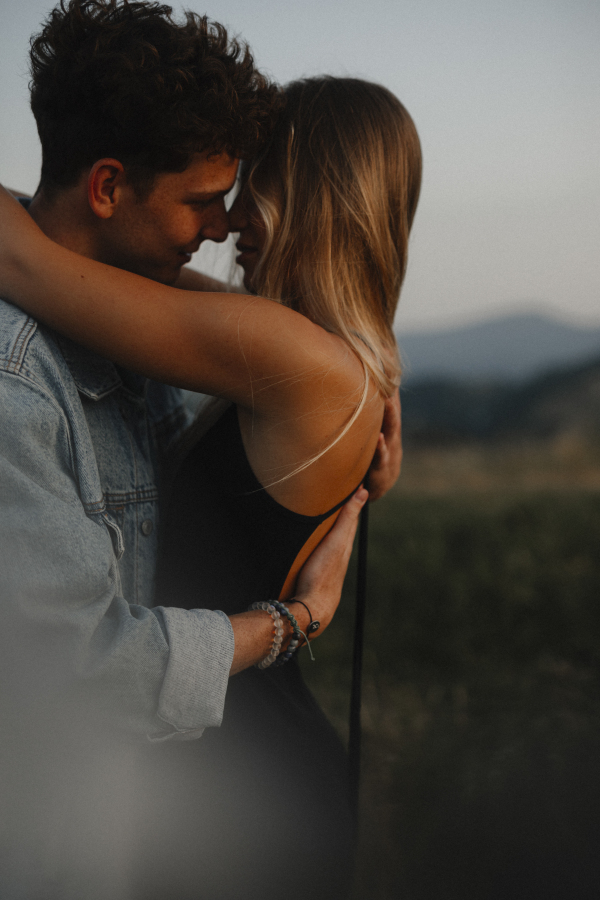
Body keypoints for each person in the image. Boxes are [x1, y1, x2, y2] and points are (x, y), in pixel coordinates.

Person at [0, 4, 400, 898]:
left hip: (239, 790)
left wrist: (295, 619)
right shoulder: (266, 350)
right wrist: (293, 619)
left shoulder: (285, 355)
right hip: (200, 787)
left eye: (243, 190)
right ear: (110, 186)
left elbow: (28, 259)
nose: (222, 227)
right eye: (208, 197)